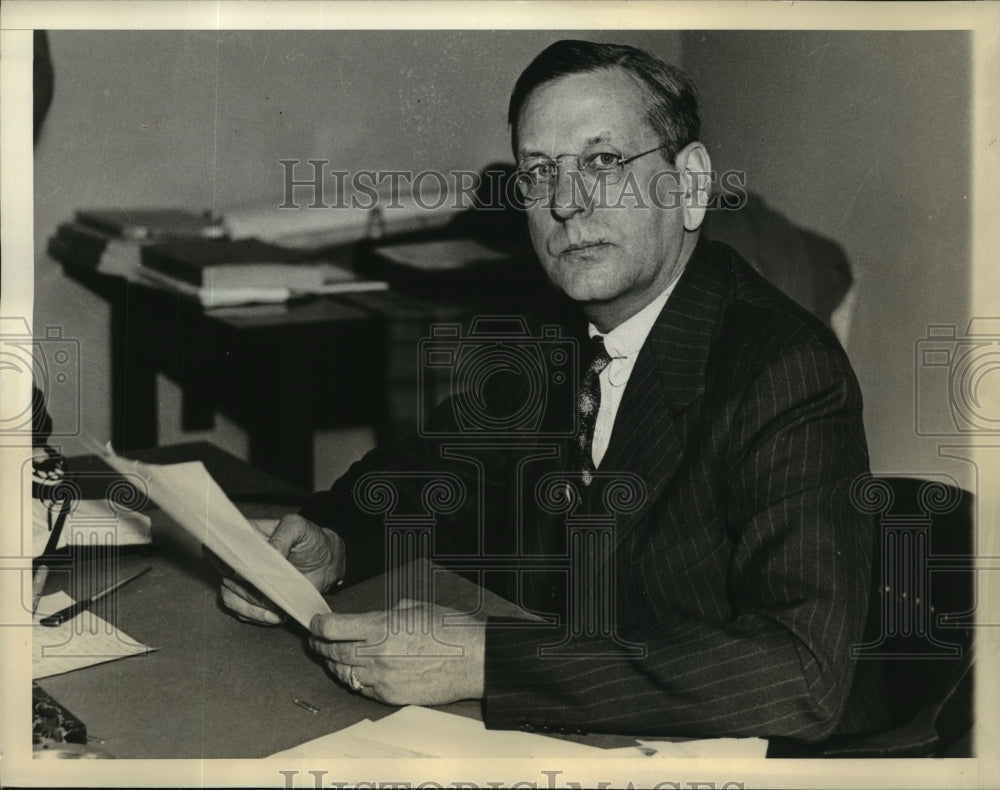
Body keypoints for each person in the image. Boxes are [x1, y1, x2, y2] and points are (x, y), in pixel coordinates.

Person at [221, 39, 890, 742]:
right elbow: (438, 472)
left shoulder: (784, 369)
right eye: (538, 174)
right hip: (601, 730)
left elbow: (800, 674)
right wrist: (335, 542)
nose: (566, 202)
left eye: (603, 162)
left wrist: (487, 661)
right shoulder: (559, 338)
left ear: (689, 184)